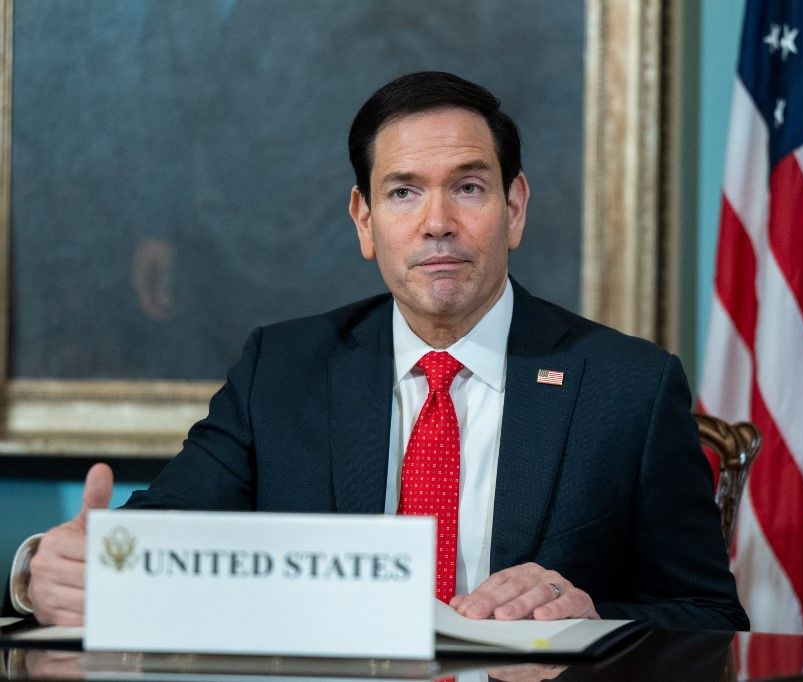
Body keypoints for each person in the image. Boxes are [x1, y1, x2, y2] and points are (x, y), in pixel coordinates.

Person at [8, 72, 748, 631]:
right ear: (364, 220)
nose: (437, 223)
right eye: (402, 193)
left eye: (467, 186)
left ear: (514, 208)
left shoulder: (628, 387)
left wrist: (593, 620)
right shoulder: (283, 372)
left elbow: (709, 618)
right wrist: (50, 569)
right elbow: (155, 546)